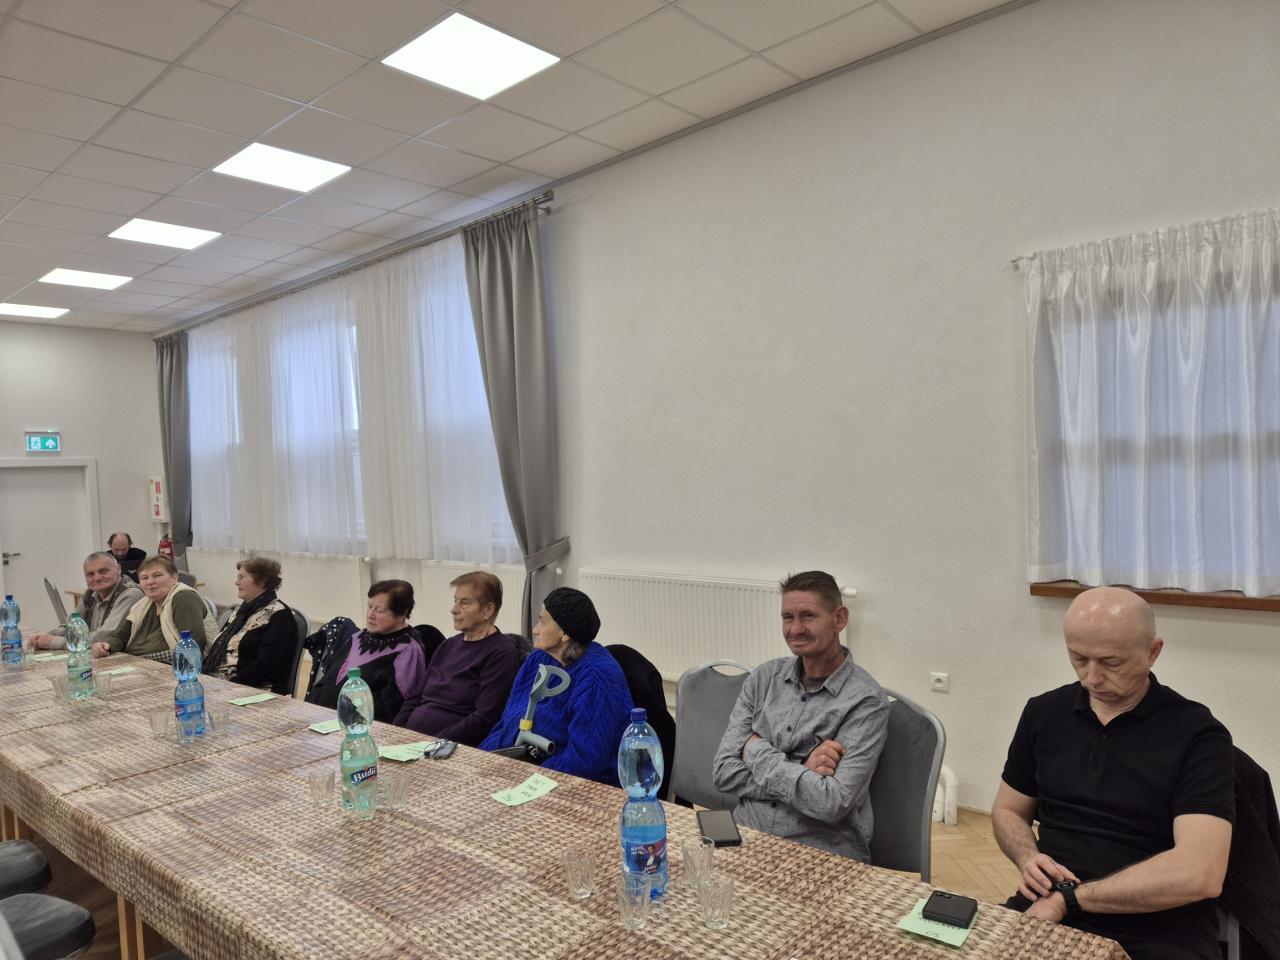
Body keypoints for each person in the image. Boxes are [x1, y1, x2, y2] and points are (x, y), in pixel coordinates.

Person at [992, 586, 1234, 960]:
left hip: (1159, 928)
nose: (1092, 677)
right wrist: (1027, 856)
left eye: (1111, 662)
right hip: (1045, 907)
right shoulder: (1043, 713)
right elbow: (1008, 810)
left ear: (1153, 652)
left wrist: (1071, 899)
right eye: (1078, 658)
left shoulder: (1198, 735)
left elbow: (1199, 873)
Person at [712, 570, 889, 860]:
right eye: (787, 617)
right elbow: (723, 773)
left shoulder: (866, 701)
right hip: (744, 838)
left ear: (839, 619)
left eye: (808, 616)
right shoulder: (762, 679)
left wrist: (755, 750)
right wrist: (803, 770)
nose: (795, 629)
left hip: (819, 852)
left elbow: (831, 802)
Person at [479, 587, 633, 785]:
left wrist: (523, 777)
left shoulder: (597, 677)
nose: (535, 630)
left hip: (567, 783)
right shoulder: (538, 659)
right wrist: (481, 759)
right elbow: (507, 723)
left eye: (543, 622)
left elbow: (584, 762)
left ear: (565, 633)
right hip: (518, 767)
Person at [394, 572, 519, 745]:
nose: (454, 609)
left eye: (464, 603)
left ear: (488, 610)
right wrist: (397, 732)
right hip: (413, 743)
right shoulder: (449, 644)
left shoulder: (501, 653)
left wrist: (433, 744)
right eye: (455, 601)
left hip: (448, 748)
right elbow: (416, 696)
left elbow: (483, 719)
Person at [305, 580, 427, 723]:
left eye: (379, 610)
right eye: (369, 607)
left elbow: (391, 711)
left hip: (358, 727)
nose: (370, 614)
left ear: (401, 614)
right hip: (320, 720)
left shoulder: (408, 651)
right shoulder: (358, 638)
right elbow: (327, 681)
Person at [203, 557, 297, 695]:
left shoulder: (280, 616)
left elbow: (265, 668)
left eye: (242, 577)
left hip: (255, 692)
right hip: (222, 685)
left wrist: (225, 688)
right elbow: (217, 649)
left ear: (262, 581)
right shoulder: (241, 611)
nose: (236, 582)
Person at [95, 555, 216, 660]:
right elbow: (121, 635)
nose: (150, 582)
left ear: (174, 578)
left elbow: (194, 643)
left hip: (170, 666)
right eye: (144, 578)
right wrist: (106, 646)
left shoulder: (184, 597)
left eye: (157, 575)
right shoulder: (141, 605)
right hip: (136, 662)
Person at [27, 552, 143, 650]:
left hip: (131, 659)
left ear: (118, 569)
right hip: (103, 656)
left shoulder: (130, 594)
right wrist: (45, 636)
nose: (97, 578)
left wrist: (55, 642)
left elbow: (106, 636)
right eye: (90, 574)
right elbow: (72, 626)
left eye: (103, 571)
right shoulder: (90, 593)